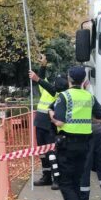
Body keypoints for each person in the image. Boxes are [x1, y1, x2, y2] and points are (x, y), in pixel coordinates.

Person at [50, 66, 101, 200]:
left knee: (65, 184)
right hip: (84, 146)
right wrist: (87, 119)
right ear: (83, 80)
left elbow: (59, 122)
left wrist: (51, 114)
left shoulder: (64, 96)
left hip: (67, 145)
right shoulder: (89, 96)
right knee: (74, 185)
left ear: (69, 79)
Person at [28, 55, 68, 190]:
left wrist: (37, 78)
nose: (56, 82)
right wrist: (43, 65)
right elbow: (43, 81)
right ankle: (46, 176)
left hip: (50, 125)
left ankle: (57, 178)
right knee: (42, 152)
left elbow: (50, 87)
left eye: (58, 81)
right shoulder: (46, 87)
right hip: (39, 122)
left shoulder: (60, 93)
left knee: (52, 152)